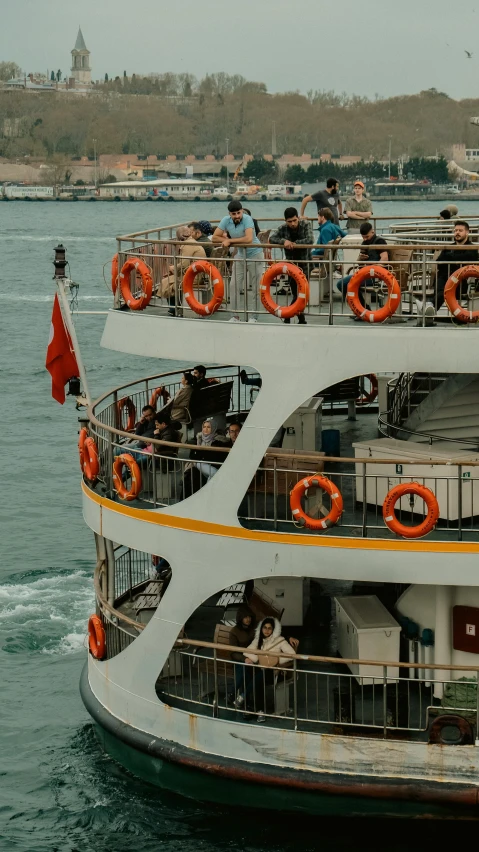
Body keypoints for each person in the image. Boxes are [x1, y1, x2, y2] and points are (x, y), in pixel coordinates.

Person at [241, 617, 298, 722]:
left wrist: (278, 660)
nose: (267, 631)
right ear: (261, 629)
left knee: (260, 676)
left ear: (273, 630)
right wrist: (253, 658)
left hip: (274, 672)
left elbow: (292, 654)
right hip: (261, 671)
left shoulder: (280, 640)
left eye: (269, 628)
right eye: (265, 628)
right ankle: (257, 710)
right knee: (252, 672)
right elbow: (246, 651)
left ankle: (245, 700)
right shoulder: (258, 639)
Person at [212, 200, 264, 313]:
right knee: (234, 285)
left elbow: (248, 239)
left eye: (238, 213)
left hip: (255, 254)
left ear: (242, 211)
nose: (237, 216)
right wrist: (225, 240)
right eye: (233, 214)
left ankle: (253, 316)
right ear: (229, 214)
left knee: (256, 288)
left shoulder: (247, 219)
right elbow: (215, 237)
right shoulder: (226, 220)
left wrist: (229, 241)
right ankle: (234, 315)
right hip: (240, 255)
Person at [427, 220, 479, 325]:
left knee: (443, 292)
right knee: (441, 287)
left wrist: (450, 259)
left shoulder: (472, 248)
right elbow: (439, 263)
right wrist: (453, 260)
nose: (457, 233)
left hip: (462, 282)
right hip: (445, 278)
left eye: (460, 230)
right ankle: (429, 309)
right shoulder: (448, 247)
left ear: (467, 232)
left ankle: (428, 308)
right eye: (455, 230)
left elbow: (466, 259)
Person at [269, 206, 313, 325]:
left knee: (303, 292)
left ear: (298, 218)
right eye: (290, 222)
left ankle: (289, 315)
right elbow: (272, 238)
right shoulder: (283, 228)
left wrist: (294, 244)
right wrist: (284, 242)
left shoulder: (306, 225)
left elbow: (310, 239)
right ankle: (300, 318)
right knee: (295, 292)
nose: (293, 224)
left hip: (305, 263)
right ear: (285, 221)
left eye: (295, 220)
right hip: (291, 265)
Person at [336, 222, 389, 315]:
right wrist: (360, 258)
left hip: (374, 275)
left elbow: (384, 258)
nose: (365, 239)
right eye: (363, 237)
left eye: (367, 236)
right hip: (364, 273)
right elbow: (358, 262)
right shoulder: (364, 243)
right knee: (341, 284)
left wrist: (375, 268)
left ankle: (362, 309)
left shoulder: (380, 241)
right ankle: (363, 308)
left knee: (345, 284)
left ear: (372, 232)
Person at [159, 225, 206, 315]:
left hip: (193, 277)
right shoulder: (193, 242)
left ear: (179, 236)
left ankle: (174, 308)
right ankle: (175, 307)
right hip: (198, 274)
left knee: (167, 281)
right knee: (171, 279)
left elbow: (184, 264)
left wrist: (173, 268)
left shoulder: (187, 245)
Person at [229, 605, 257, 703]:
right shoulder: (234, 632)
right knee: (244, 668)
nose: (248, 619)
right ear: (240, 618)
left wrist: (289, 638)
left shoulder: (254, 628)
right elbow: (233, 652)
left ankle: (233, 694)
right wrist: (244, 659)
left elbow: (272, 632)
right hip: (239, 659)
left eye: (249, 617)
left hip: (253, 657)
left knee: (247, 669)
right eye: (245, 617)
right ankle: (245, 698)